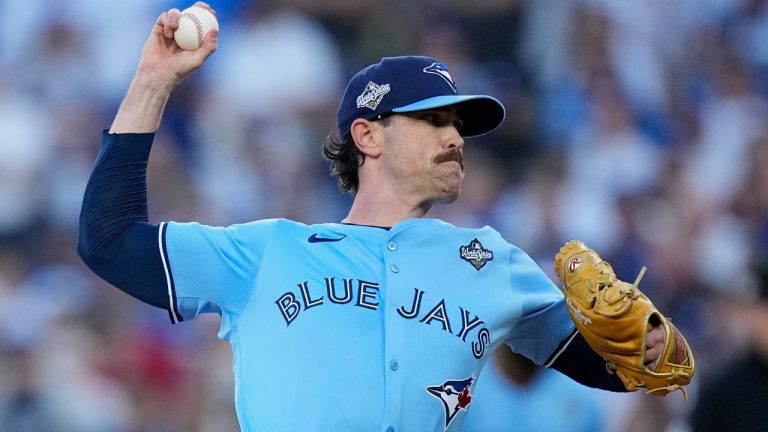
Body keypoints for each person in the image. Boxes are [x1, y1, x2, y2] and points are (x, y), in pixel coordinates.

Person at [77, 3, 669, 431]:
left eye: (459, 126)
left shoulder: (494, 262)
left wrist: (650, 345)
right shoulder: (268, 252)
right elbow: (108, 240)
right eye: (434, 121)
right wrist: (153, 82)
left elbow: (624, 369)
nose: (456, 138)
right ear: (368, 135)